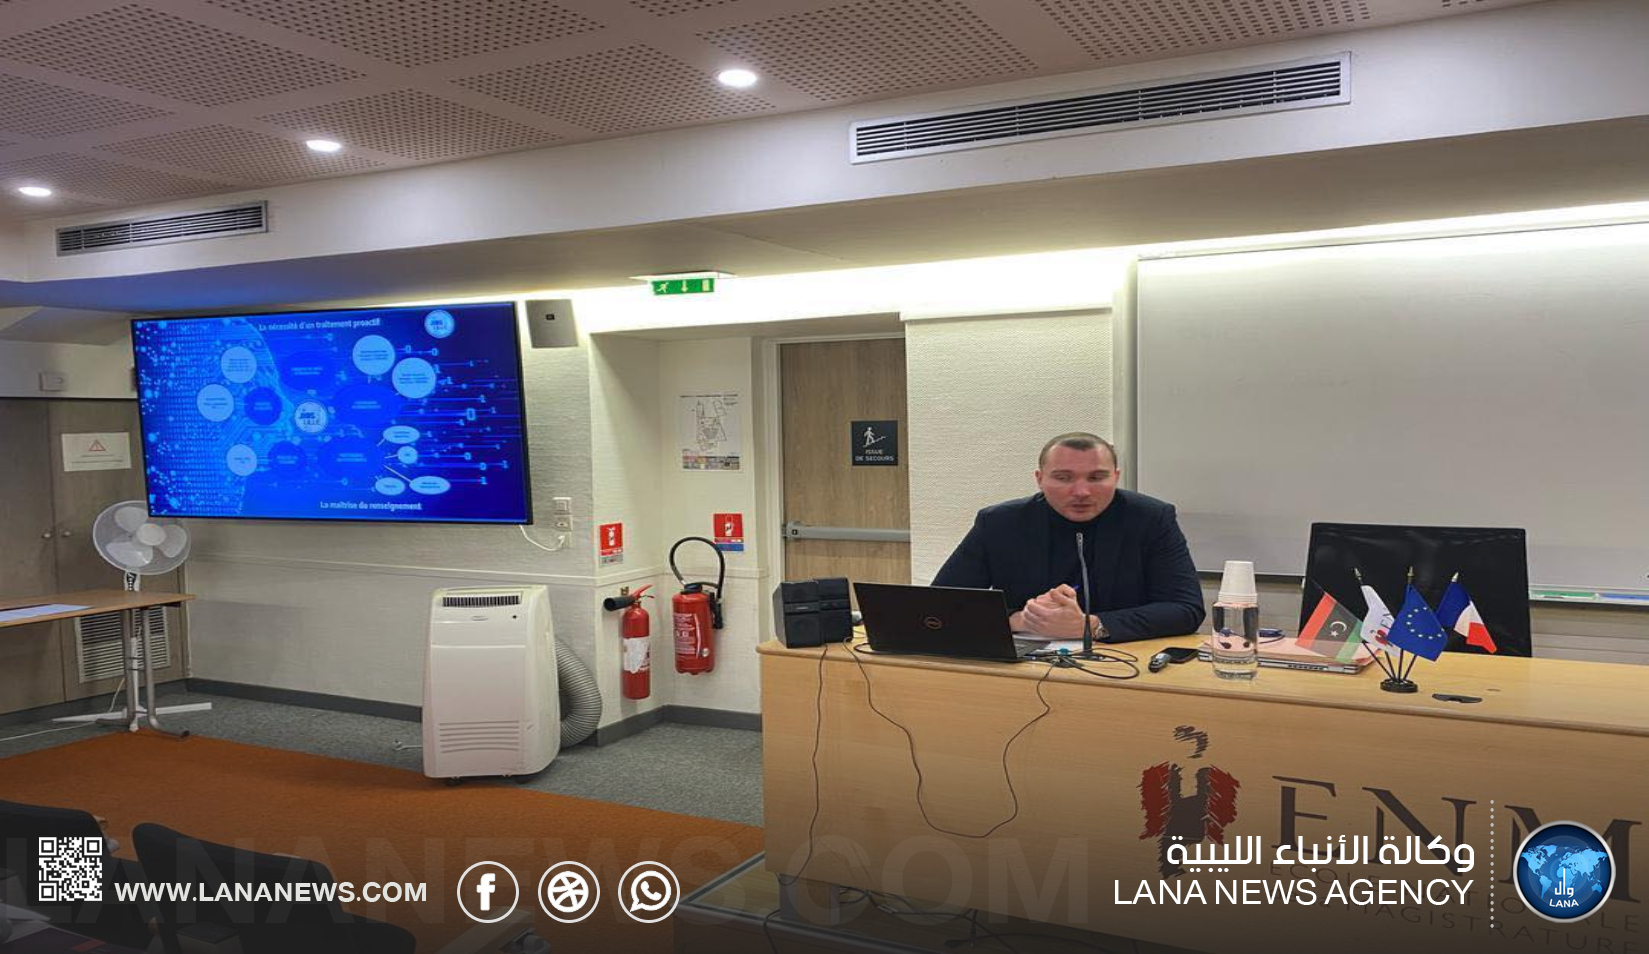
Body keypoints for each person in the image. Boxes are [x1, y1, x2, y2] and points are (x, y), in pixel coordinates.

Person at [932, 432, 1205, 642]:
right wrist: (1020, 620)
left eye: (1096, 478)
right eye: (1063, 478)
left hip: (1125, 662)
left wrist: (1091, 625)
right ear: (1039, 479)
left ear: (1116, 477)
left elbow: (1185, 609)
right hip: (1024, 663)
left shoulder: (1150, 518)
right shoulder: (999, 522)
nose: (1081, 492)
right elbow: (939, 605)